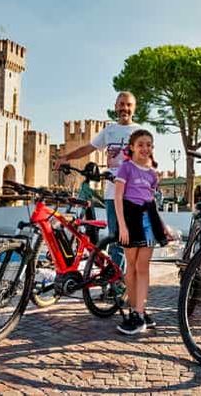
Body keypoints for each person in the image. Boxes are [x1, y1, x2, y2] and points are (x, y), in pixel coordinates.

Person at [54, 91, 141, 268]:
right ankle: (114, 280)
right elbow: (88, 148)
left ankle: (120, 283)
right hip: (111, 192)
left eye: (128, 105)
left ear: (134, 108)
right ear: (116, 106)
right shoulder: (109, 131)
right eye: (121, 104)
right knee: (113, 235)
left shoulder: (139, 132)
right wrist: (66, 157)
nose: (125, 108)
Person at [113, 129, 170, 335]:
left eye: (149, 145)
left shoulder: (153, 174)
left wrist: (162, 225)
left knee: (143, 267)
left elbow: (152, 202)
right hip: (130, 218)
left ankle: (139, 312)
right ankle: (135, 309)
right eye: (141, 144)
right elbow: (118, 197)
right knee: (131, 266)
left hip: (148, 221)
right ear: (132, 147)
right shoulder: (126, 168)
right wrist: (122, 225)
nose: (145, 148)